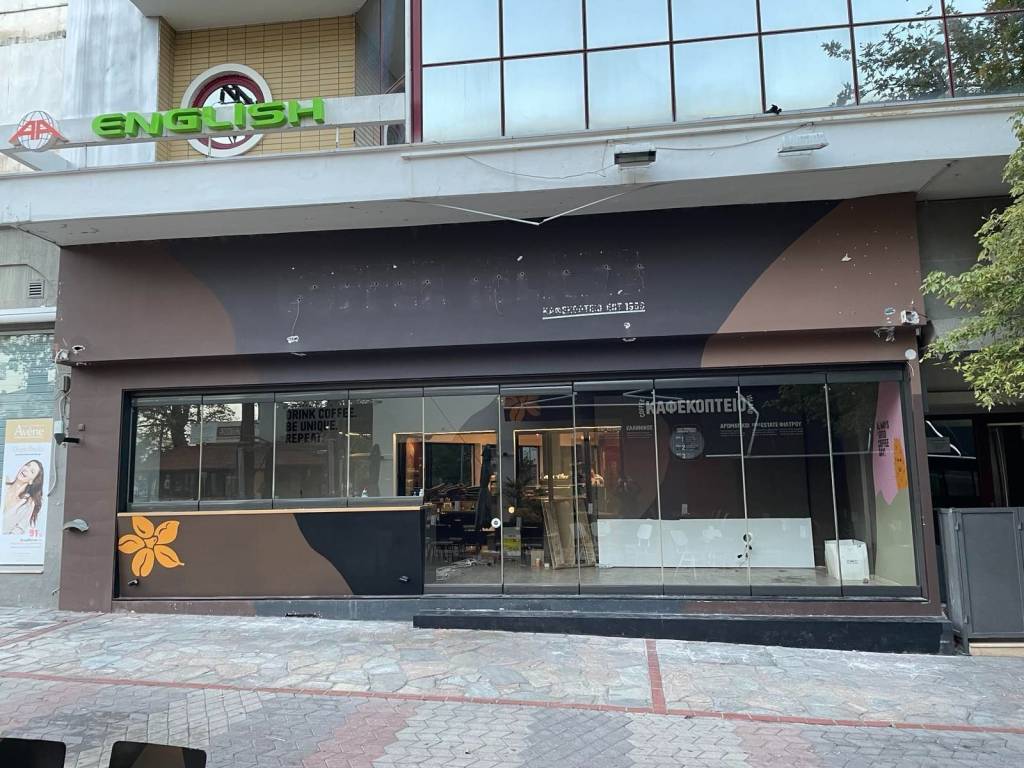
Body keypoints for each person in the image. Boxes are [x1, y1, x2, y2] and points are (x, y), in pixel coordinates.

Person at [2, 459, 44, 536]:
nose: (26, 469)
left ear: (32, 481)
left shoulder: (28, 503)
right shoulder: (4, 485)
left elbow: (19, 529)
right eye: (27, 465)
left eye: (32, 471)